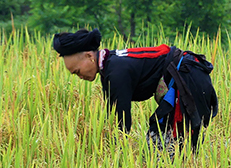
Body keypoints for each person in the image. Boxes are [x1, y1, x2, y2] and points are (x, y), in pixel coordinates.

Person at [53, 28, 218, 154]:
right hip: (185, 78)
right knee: (164, 148)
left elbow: (122, 121)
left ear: (89, 56)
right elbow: (113, 114)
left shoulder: (115, 71)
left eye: (76, 71)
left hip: (188, 79)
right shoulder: (110, 66)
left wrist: (117, 153)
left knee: (164, 149)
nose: (79, 76)